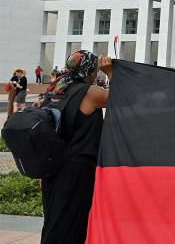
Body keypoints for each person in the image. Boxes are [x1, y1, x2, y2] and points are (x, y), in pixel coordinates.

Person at [41, 50, 112, 244]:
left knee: (55, 219)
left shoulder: (55, 89)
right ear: (89, 70)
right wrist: (110, 74)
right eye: (95, 71)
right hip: (77, 169)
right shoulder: (88, 92)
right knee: (72, 222)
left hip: (53, 167)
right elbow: (120, 98)